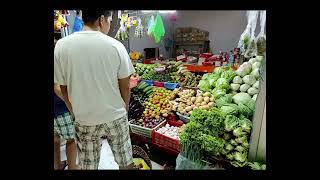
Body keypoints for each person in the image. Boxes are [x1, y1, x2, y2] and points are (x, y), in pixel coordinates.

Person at [54, 10, 135, 170]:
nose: (109, 25)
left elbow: (63, 87)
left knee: (88, 165)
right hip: (115, 115)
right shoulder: (115, 45)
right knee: (125, 162)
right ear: (102, 20)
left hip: (84, 118)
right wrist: (124, 108)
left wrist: (73, 110)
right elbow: (125, 85)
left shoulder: (62, 46)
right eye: (110, 21)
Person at [54, 38, 79, 170]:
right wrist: (72, 104)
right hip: (60, 110)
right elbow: (57, 88)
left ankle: (57, 165)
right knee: (71, 140)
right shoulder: (56, 62)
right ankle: (73, 167)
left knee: (55, 139)